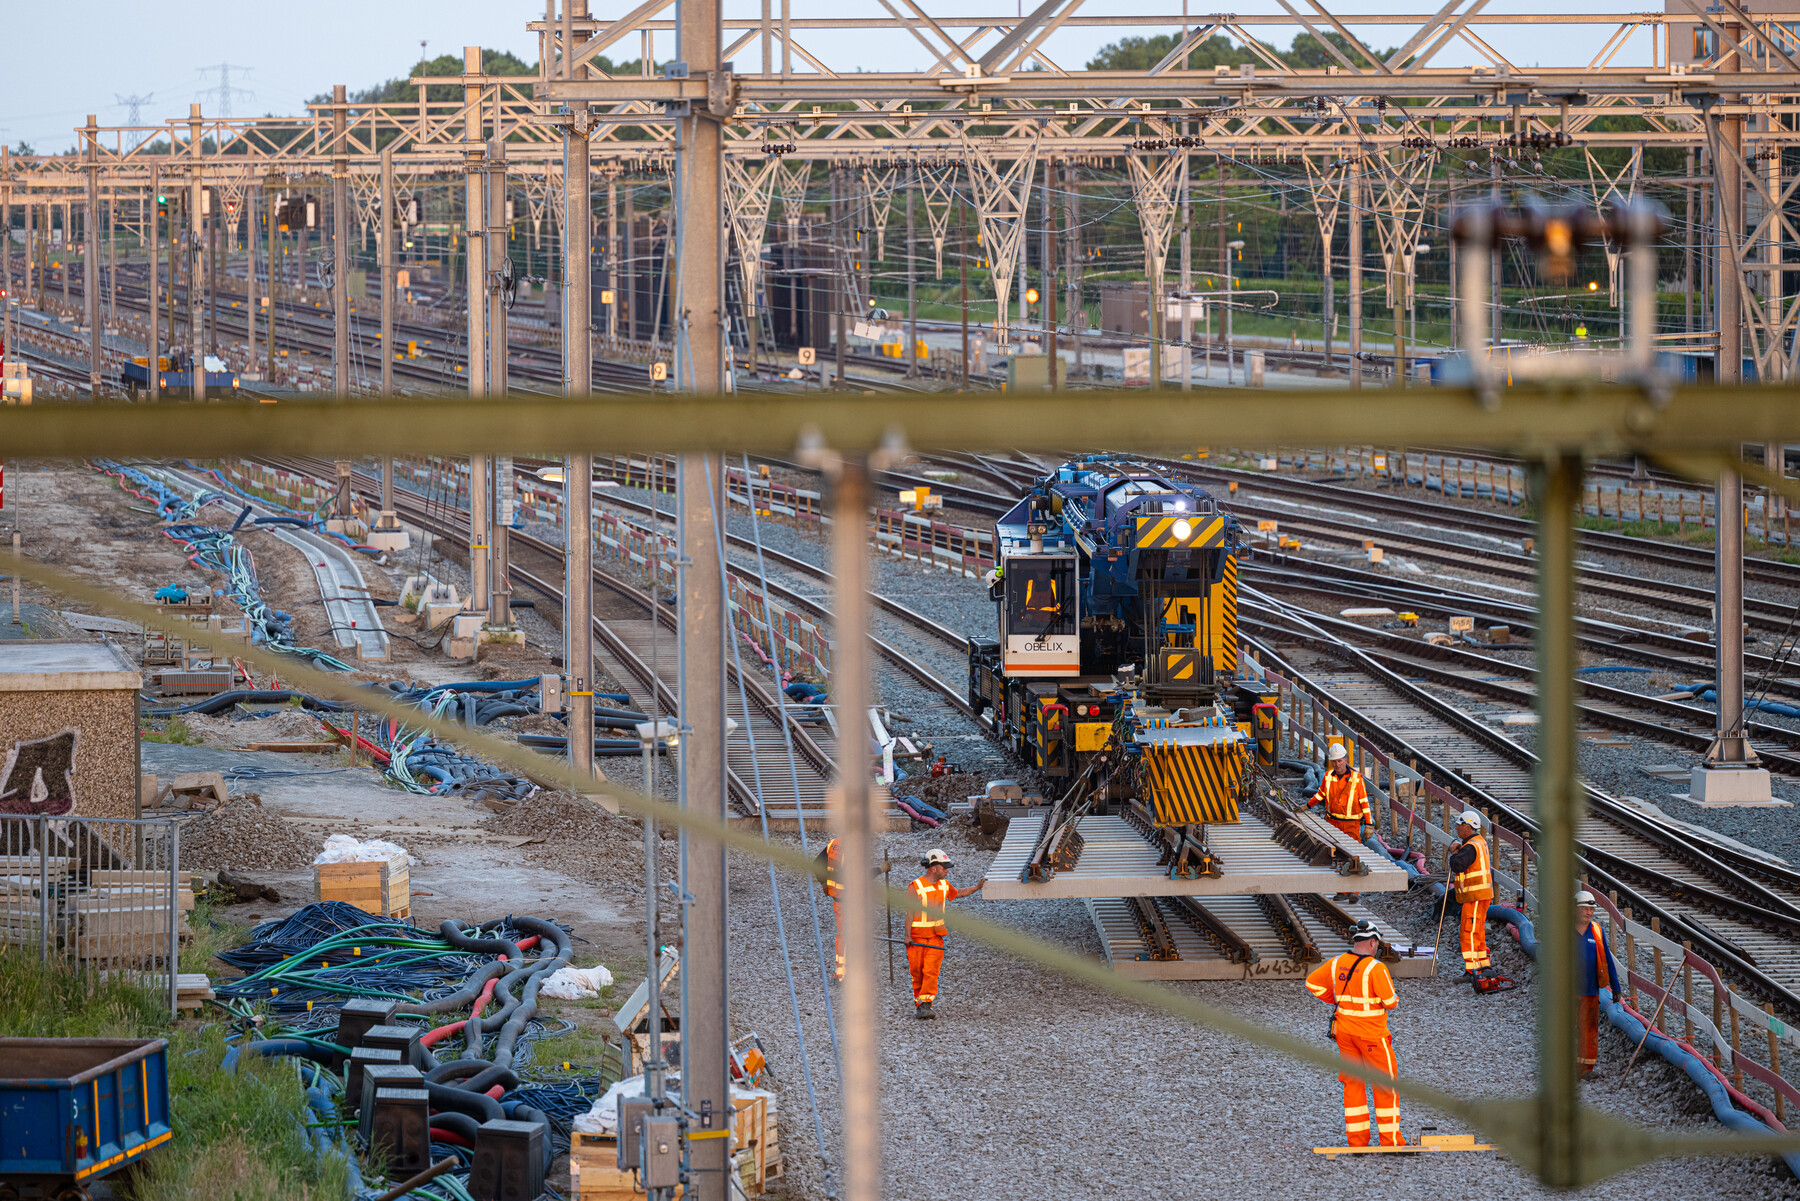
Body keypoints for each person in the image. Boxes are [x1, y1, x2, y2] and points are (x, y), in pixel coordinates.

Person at [1305, 919, 1402, 1147]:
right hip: (1372, 1035)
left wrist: (1337, 1000)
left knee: (1353, 1084)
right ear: (1371, 942)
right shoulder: (1376, 968)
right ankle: (1391, 1141)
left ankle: (1357, 1141)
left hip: (1345, 1034)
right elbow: (1390, 1002)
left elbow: (1312, 983)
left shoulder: (1337, 962)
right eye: (1376, 944)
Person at [906, 848, 985, 1019]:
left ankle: (926, 1004)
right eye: (944, 867)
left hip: (936, 937)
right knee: (917, 972)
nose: (947, 870)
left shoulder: (944, 885)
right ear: (934, 868)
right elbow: (909, 913)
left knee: (931, 971)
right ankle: (920, 1004)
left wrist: (977, 887)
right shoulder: (915, 886)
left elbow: (960, 893)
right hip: (917, 937)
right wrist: (907, 936)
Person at [1448, 810, 1511, 993]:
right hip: (1480, 896)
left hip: (1475, 897)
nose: (1457, 828)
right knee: (1477, 932)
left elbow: (1458, 864)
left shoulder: (1470, 847)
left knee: (1468, 932)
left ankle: (1472, 970)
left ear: (1468, 827)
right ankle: (1482, 967)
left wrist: (1453, 853)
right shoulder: (1478, 842)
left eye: (1460, 825)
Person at [1307, 742, 1372, 901]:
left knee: (1352, 857)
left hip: (1351, 824)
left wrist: (1369, 824)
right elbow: (1320, 795)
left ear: (1345, 759)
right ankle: (1341, 892)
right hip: (1333, 823)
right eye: (1334, 762)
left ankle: (1353, 892)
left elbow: (1364, 802)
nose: (1337, 764)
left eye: (1340, 761)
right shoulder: (1328, 777)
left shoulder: (1357, 779)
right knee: (1338, 857)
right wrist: (1307, 805)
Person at [1578, 890, 1624, 1078]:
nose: (1589, 913)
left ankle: (1585, 1069)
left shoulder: (1596, 931)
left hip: (1590, 992)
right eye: (1585, 909)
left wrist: (1616, 987)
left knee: (1589, 1031)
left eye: (1591, 909)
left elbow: (1607, 960)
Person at [815, 838, 845, 982]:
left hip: (837, 898)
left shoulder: (834, 844)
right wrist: (881, 869)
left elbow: (817, 864)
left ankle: (840, 972)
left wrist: (824, 883)